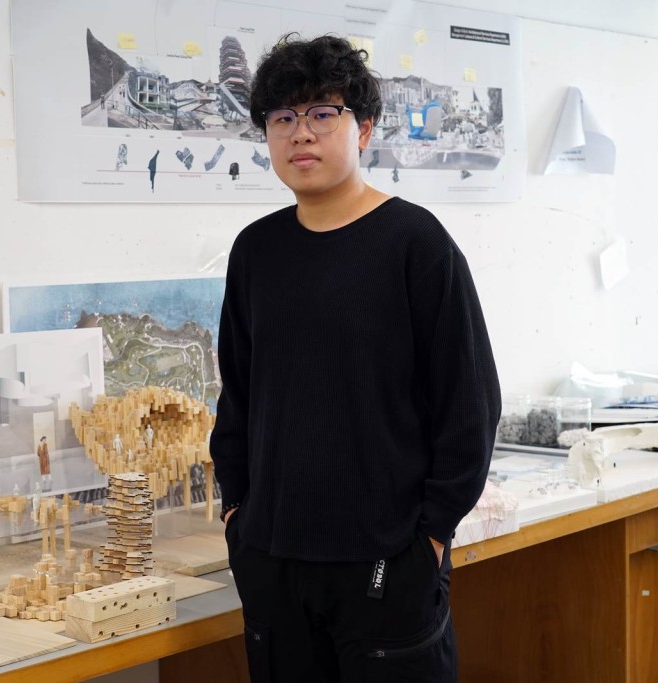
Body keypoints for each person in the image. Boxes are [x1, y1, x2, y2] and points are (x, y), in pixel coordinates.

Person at [209, 34, 500, 683]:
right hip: (274, 564)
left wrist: (430, 537)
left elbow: (471, 406)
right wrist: (237, 517)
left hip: (386, 566)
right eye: (282, 117)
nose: (300, 133)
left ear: (363, 128)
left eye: (322, 113)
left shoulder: (415, 243)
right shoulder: (256, 251)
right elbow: (239, 397)